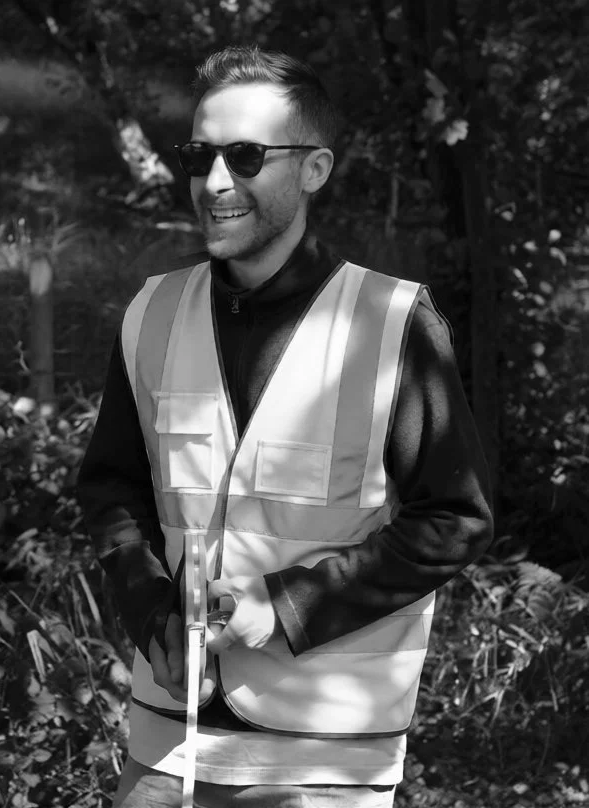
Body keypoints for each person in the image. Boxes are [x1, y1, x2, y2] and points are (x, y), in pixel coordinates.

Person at [77, 44, 494, 808]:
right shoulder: (152, 312)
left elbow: (454, 521)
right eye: (201, 156)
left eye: (245, 156)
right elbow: (113, 490)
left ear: (315, 169)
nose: (215, 182)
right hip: (170, 743)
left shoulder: (392, 321)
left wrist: (289, 605)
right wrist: (148, 609)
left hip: (323, 761)